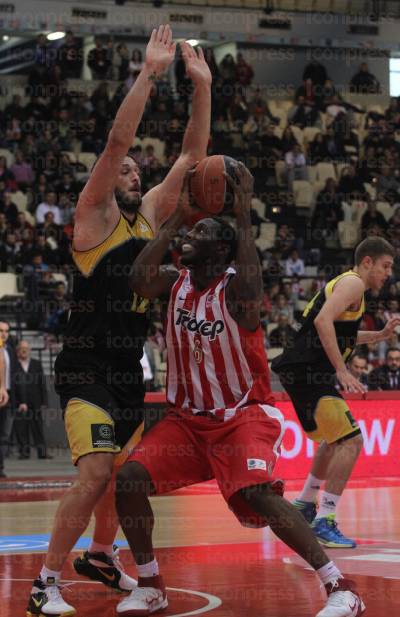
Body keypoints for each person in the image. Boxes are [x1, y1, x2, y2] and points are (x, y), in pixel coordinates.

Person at [114, 164, 365, 617]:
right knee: (128, 480)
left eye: (203, 231)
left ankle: (341, 588)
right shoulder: (175, 285)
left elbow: (250, 286)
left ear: (224, 249)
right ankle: (151, 584)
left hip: (241, 416)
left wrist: (244, 213)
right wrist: (176, 219)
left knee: (259, 494)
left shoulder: (236, 292)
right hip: (187, 422)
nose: (191, 234)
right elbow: (136, 279)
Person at [27, 25, 212, 617]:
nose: (133, 174)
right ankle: (43, 586)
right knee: (95, 472)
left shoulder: (149, 221)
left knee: (121, 475)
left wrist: (202, 88)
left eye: (138, 172)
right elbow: (114, 143)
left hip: (128, 369)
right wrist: (151, 75)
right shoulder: (93, 219)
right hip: (85, 366)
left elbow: (191, 158)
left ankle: (101, 554)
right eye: (127, 172)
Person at [272, 236, 399, 548]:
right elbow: (322, 319)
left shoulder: (351, 288)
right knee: (352, 441)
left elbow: (345, 334)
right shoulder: (354, 283)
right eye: (385, 266)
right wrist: (342, 370)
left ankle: (304, 504)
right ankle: (325, 519)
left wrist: (380, 335)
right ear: (367, 262)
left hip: (302, 369)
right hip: (309, 370)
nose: (388, 274)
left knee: (334, 440)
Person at [13, 341, 50, 459]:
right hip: (19, 403)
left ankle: (42, 453)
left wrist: (44, 402)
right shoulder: (13, 365)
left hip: (36, 402)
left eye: (26, 348)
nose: (24, 350)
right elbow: (12, 386)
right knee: (21, 429)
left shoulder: (36, 364)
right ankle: (24, 453)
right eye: (22, 348)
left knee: (38, 428)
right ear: (17, 351)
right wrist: (15, 403)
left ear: (29, 350)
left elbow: (42, 384)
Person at [0, 321, 17, 478]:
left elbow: (16, 377)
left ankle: (0, 467)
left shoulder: (10, 351)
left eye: (6, 331)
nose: (4, 334)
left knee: (5, 435)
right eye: (0, 330)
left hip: (9, 397)